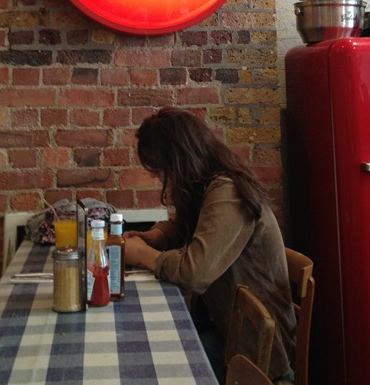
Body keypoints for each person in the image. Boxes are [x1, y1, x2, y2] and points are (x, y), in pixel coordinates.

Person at [124, 107, 296, 384]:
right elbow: (187, 225)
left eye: (160, 172)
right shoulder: (209, 186)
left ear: (178, 161)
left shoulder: (229, 192)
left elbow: (195, 272)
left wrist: (143, 255)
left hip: (254, 353)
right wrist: (155, 236)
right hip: (224, 329)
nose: (159, 180)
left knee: (151, 369)